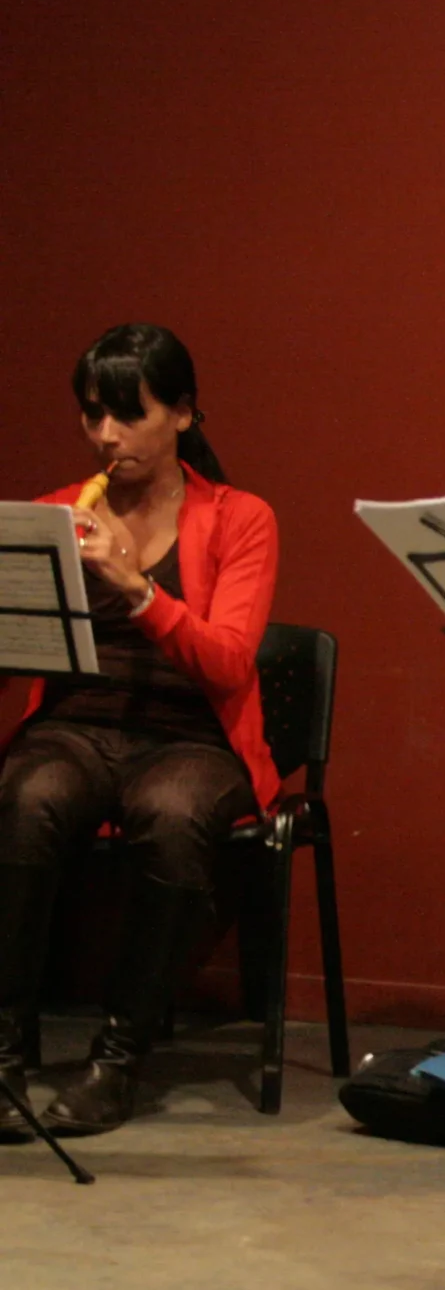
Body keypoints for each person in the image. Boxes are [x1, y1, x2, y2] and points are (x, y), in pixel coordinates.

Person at [0, 324, 277, 1137]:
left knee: (174, 815)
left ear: (184, 414)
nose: (107, 437)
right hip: (78, 722)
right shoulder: (56, 512)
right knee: (24, 796)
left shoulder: (242, 518)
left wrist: (138, 589)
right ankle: (5, 1057)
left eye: (128, 414)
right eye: (93, 417)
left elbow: (228, 663)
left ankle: (116, 1061)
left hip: (191, 734)